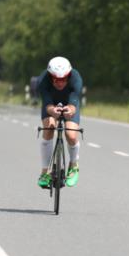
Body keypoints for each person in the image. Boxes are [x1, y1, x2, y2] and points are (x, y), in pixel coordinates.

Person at [36, 56, 84, 189]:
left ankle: (73, 165)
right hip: (51, 105)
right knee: (49, 128)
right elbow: (47, 103)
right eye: (56, 79)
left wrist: (70, 109)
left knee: (71, 134)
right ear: (51, 76)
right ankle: (45, 172)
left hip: (70, 104)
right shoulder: (43, 81)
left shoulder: (76, 78)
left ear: (68, 76)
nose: (60, 82)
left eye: (63, 79)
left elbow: (74, 100)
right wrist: (52, 110)